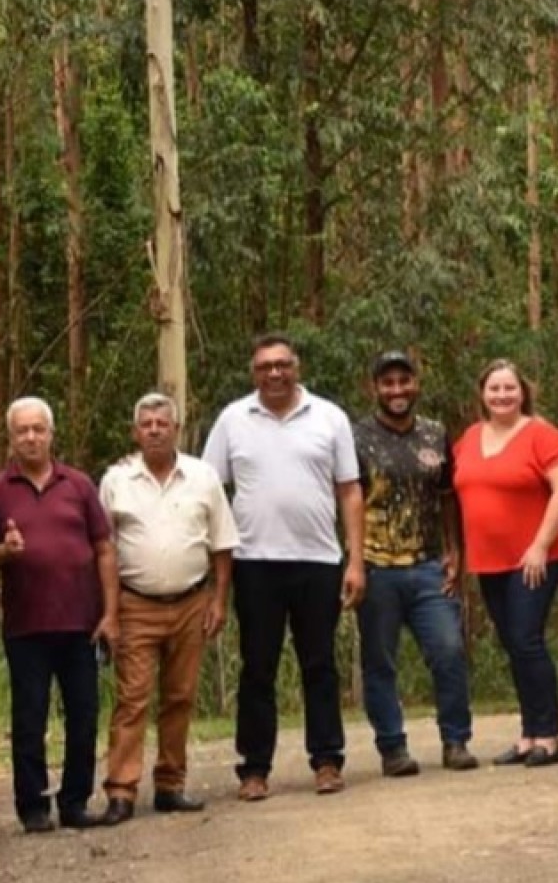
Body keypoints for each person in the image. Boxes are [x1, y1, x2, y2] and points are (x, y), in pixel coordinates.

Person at [202, 334, 365, 799]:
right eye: (264, 367)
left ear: (297, 367)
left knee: (320, 664)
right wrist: (213, 572)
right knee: (258, 669)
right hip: (255, 563)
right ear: (253, 373)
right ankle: (254, 768)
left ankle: (328, 760)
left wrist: (355, 560)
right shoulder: (234, 420)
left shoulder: (329, 417)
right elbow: (210, 491)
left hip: (318, 561)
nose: (274, 373)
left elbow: (350, 491)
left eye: (282, 365)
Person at [0, 397, 120, 831]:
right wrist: (3, 551)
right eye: (22, 431)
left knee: (84, 715)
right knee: (29, 718)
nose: (31, 437)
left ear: (51, 434)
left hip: (81, 625)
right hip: (26, 626)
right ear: (11, 438)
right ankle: (32, 806)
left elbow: (104, 550)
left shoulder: (79, 485)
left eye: (38, 429)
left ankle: (75, 802)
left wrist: (111, 613)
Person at [97, 392, 239, 823]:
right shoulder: (116, 480)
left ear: (176, 428)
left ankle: (171, 785)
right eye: (147, 423)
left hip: (192, 602)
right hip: (136, 603)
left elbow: (222, 544)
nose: (155, 429)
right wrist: (109, 611)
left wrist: (218, 600)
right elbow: (104, 548)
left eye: (163, 422)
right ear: (135, 432)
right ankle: (121, 791)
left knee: (179, 698)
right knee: (132, 699)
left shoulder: (203, 477)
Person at [353, 350, 478, 776]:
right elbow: (348, 500)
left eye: (404, 381)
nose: (397, 390)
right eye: (387, 383)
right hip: (376, 566)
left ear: (416, 384)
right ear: (375, 389)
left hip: (428, 565)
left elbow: (447, 495)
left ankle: (455, 740)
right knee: (379, 660)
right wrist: (353, 562)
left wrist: (454, 549)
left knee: (448, 649)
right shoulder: (357, 437)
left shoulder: (434, 433)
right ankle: (393, 749)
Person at [451, 359, 558, 767]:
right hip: (489, 561)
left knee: (526, 639)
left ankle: (549, 736)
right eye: (494, 389)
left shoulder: (542, 435)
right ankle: (528, 735)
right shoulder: (470, 437)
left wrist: (540, 544)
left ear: (522, 392)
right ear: (482, 394)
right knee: (513, 644)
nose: (502, 395)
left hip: (535, 558)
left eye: (510, 388)